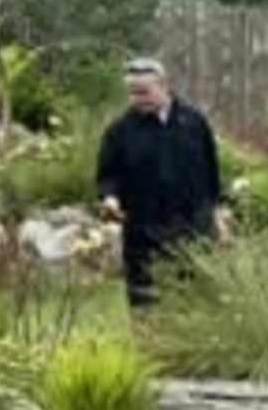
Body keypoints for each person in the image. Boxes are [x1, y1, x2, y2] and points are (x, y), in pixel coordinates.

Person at [95, 55, 230, 308]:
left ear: (164, 86)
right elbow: (107, 177)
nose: (137, 99)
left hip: (194, 231)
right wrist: (110, 199)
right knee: (147, 305)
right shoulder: (120, 131)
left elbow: (212, 173)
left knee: (195, 304)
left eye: (143, 92)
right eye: (132, 93)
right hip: (145, 233)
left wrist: (217, 214)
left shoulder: (194, 123)